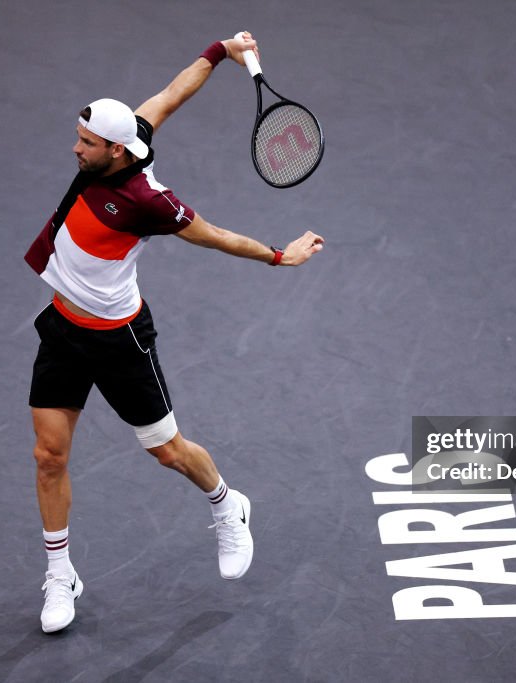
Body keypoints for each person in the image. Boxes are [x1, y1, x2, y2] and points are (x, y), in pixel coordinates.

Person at [23, 32, 325, 634]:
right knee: (48, 455)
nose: (74, 149)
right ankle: (61, 574)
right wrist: (220, 49)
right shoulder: (122, 138)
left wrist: (276, 256)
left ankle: (227, 506)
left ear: (112, 149)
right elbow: (170, 93)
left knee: (166, 450)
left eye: (85, 143)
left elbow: (212, 235)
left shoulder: (148, 200)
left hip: (120, 340)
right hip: (63, 329)